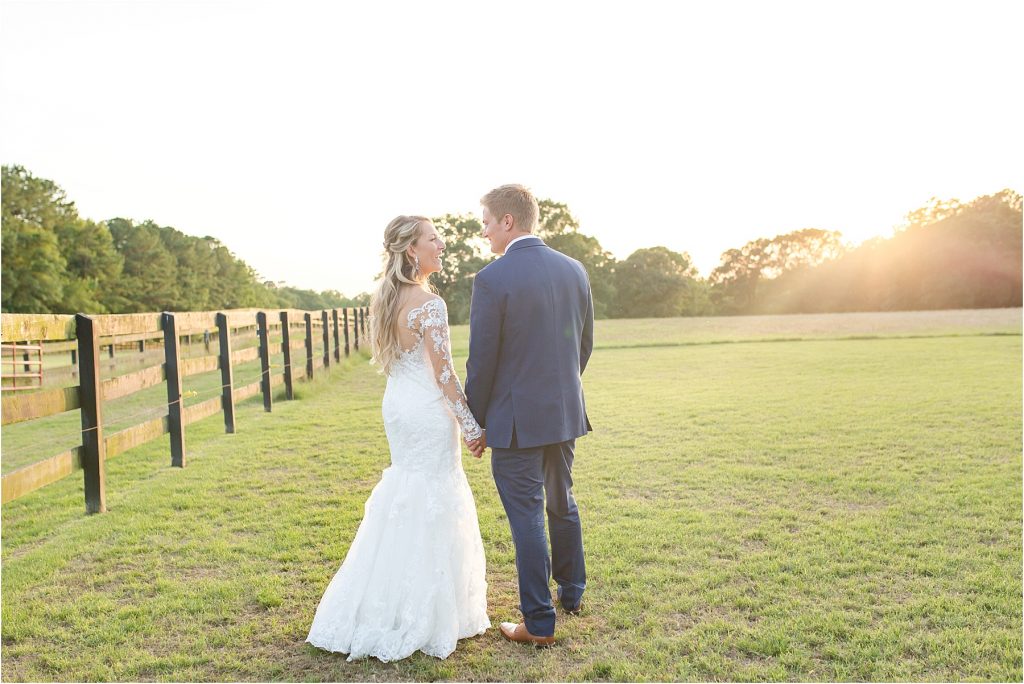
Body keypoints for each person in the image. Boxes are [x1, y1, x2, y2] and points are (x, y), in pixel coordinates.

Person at [306, 215, 490, 662]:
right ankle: (422, 613)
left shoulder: (385, 299)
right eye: (433, 238)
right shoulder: (430, 303)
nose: (441, 244)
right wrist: (471, 426)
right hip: (427, 409)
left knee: (406, 492)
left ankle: (380, 604)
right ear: (413, 250)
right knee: (432, 495)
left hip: (398, 406)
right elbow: (444, 374)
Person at [465, 184, 594, 647]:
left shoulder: (493, 280)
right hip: (564, 413)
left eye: (485, 222)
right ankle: (573, 593)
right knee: (562, 501)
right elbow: (583, 347)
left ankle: (538, 624)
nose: (482, 232)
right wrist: (558, 393)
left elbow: (481, 364)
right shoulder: (574, 270)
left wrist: (474, 422)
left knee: (526, 518)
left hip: (517, 424)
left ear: (507, 222)